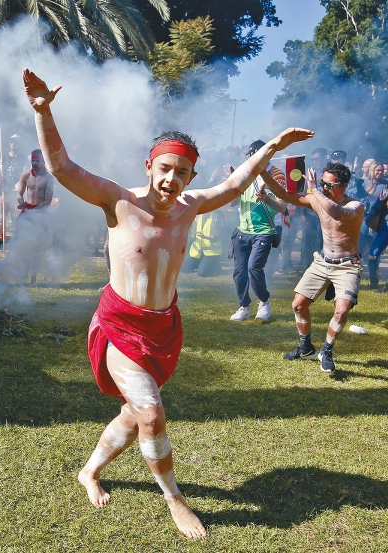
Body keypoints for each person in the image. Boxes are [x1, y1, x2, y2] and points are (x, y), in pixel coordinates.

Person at [23, 68, 313, 539]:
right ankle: (175, 500)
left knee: (134, 414)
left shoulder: (192, 205)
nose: (171, 180)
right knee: (152, 412)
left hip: (163, 327)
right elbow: (62, 168)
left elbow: (238, 184)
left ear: (191, 175)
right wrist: (43, 112)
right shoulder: (118, 201)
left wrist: (273, 148)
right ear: (149, 167)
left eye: (181, 172)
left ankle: (89, 471)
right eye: (165, 169)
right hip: (119, 324)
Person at [263, 162, 364, 373]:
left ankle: (326, 350)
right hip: (322, 261)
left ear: (344, 185)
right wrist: (262, 172)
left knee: (342, 311)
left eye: (330, 184)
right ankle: (305, 346)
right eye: (322, 183)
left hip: (348, 265)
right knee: (298, 305)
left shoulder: (355, 206)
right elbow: (283, 193)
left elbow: (336, 213)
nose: (324, 188)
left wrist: (315, 189)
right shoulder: (318, 198)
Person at [228, 140, 287, 321]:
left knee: (254, 268)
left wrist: (265, 198)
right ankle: (244, 306)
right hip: (242, 231)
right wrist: (234, 190)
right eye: (251, 155)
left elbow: (282, 207)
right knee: (239, 271)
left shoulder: (276, 174)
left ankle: (264, 302)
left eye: (256, 154)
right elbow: (233, 204)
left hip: (264, 230)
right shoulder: (243, 173)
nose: (253, 158)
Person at [15, 149, 55, 284]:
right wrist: (21, 202)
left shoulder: (49, 178)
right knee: (23, 243)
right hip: (27, 211)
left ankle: (34, 276)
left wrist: (37, 210)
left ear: (43, 161)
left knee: (37, 246)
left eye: (37, 161)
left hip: (40, 213)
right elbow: (19, 193)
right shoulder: (26, 175)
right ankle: (23, 271)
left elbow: (48, 200)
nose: (34, 163)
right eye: (33, 160)